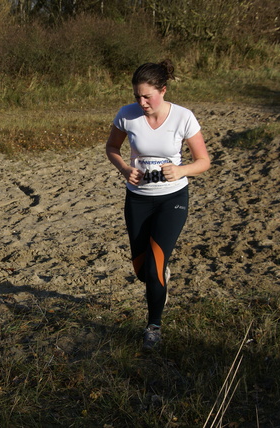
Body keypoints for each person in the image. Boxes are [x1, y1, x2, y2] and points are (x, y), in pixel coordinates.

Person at [105, 60, 210, 351]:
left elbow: (204, 161)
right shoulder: (127, 115)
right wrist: (125, 169)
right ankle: (159, 278)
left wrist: (182, 170)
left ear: (162, 91)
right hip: (137, 198)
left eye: (147, 96)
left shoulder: (183, 117)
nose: (141, 102)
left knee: (154, 267)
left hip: (172, 199)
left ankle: (153, 326)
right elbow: (111, 148)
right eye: (137, 95)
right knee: (142, 269)